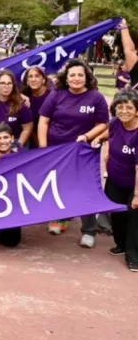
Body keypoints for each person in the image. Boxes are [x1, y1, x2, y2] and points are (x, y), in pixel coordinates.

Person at [38, 59, 109, 243]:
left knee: (86, 188)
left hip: (84, 150)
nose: (76, 78)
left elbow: (102, 124)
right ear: (66, 78)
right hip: (58, 149)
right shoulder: (56, 95)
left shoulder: (96, 97)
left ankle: (89, 231)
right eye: (72, 75)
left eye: (80, 75)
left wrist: (86, 136)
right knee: (58, 184)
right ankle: (59, 219)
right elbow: (44, 121)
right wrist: (44, 148)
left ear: (87, 78)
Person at [91, 90, 138, 272]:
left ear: (137, 111)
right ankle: (121, 245)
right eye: (120, 107)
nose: (124, 111)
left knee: (134, 220)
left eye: (129, 108)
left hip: (134, 184)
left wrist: (137, 194)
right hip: (115, 180)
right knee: (117, 215)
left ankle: (134, 257)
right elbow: (108, 133)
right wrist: (97, 138)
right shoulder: (116, 123)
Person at [0, 70, 33, 149]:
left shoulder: (22, 105)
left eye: (9, 83)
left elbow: (27, 129)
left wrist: (18, 146)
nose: (6, 86)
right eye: (2, 83)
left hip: (16, 140)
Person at [22, 67, 52, 148]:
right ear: (27, 81)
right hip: (32, 139)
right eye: (30, 76)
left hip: (52, 138)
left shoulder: (52, 95)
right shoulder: (25, 97)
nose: (33, 79)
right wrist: (20, 95)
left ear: (43, 80)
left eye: (37, 76)